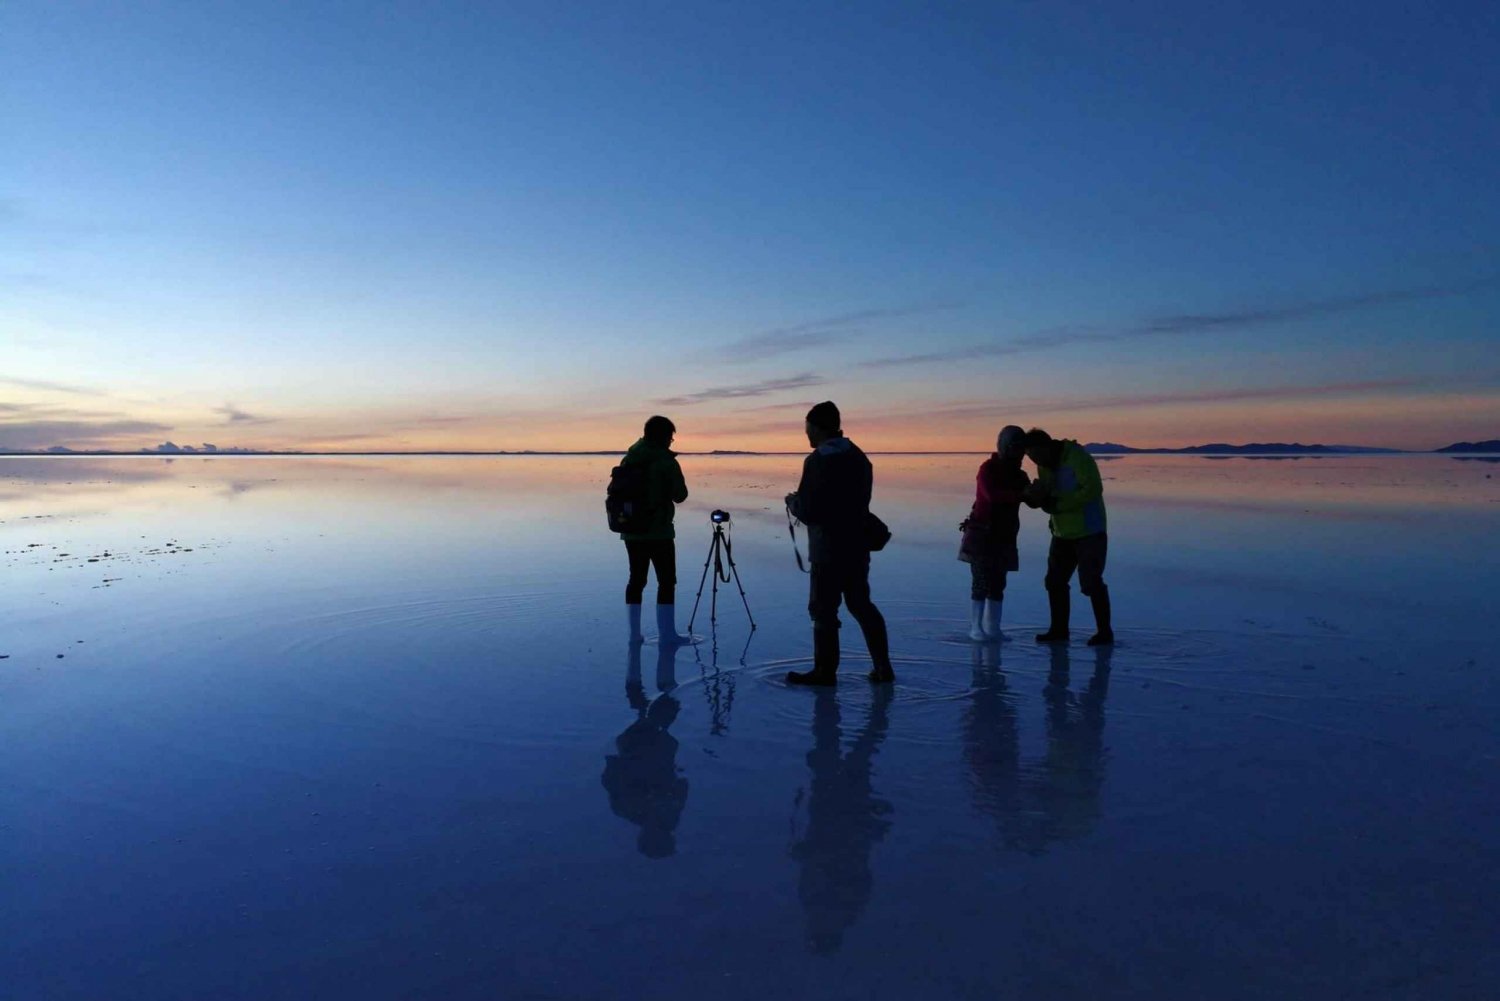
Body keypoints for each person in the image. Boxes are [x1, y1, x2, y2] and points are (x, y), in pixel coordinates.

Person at [784, 401, 894, 685]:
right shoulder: (858, 456)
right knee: (860, 604)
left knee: (823, 609)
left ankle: (825, 671)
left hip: (828, 548)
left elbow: (809, 510)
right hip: (857, 545)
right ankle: (883, 667)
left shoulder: (818, 460)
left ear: (819, 428)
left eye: (808, 429)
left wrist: (793, 502)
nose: (806, 436)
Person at [1022, 428, 1113, 645]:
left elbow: (1092, 489)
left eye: (1035, 455)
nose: (1035, 461)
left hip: (1089, 532)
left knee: (1091, 583)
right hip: (1062, 533)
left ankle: (1105, 632)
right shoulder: (1043, 465)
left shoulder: (1077, 457)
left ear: (1046, 446)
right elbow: (1049, 495)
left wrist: (1058, 504)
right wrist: (1035, 499)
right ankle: (1059, 630)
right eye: (1030, 458)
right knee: (1054, 582)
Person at [621, 415, 690, 644]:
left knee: (636, 580)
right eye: (670, 437)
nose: (672, 441)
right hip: (659, 531)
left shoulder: (630, 457)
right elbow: (680, 495)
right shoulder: (666, 461)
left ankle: (633, 634)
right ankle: (667, 634)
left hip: (631, 530)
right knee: (667, 581)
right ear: (663, 437)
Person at [962, 425, 1030, 640]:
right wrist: (1021, 494)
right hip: (982, 534)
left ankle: (993, 627)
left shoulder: (1020, 475)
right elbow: (991, 495)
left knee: (998, 583)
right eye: (1015, 447)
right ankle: (976, 627)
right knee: (981, 581)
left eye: (1021, 448)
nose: (1019, 452)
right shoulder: (988, 469)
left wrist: (1039, 494)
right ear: (1004, 446)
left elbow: (1032, 499)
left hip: (1005, 535)